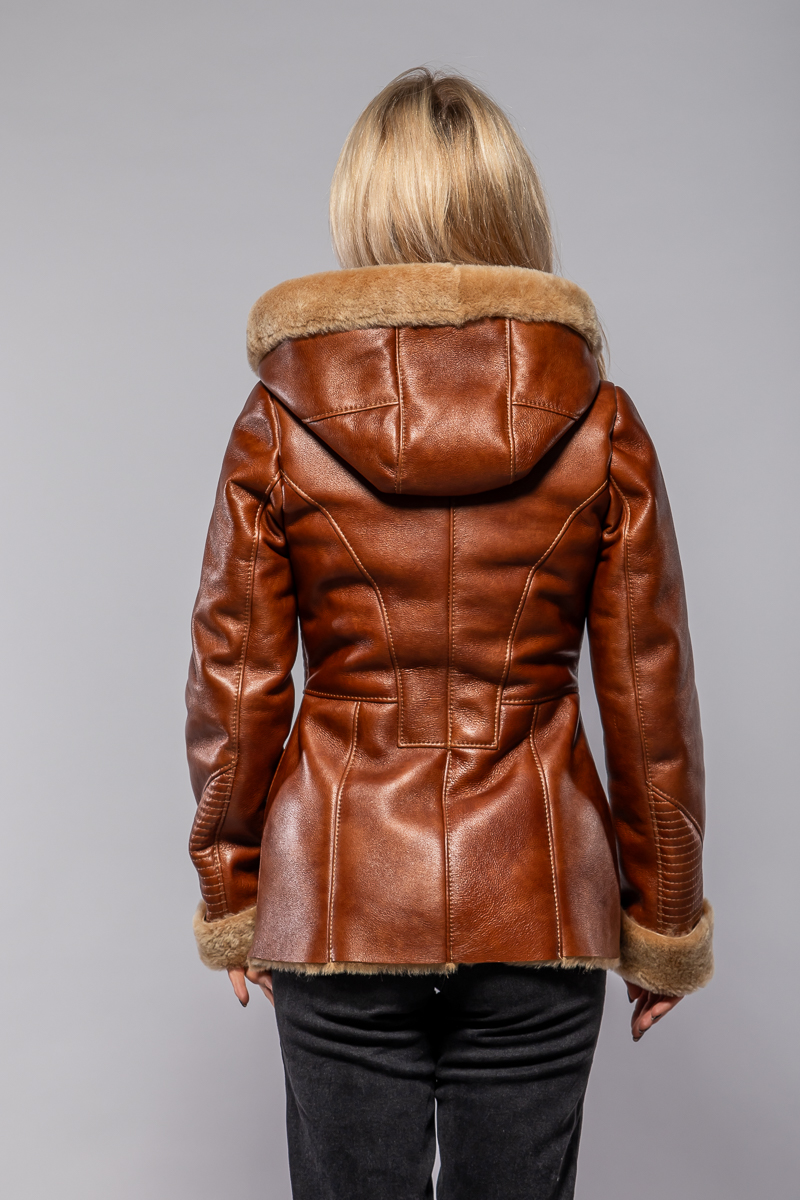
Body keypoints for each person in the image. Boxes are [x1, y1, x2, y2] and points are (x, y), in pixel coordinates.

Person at [185, 67, 713, 1200]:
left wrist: (230, 885)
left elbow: (236, 681)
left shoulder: (278, 421)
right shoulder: (600, 422)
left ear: (360, 208)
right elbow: (648, 691)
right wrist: (664, 916)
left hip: (338, 897)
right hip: (539, 896)